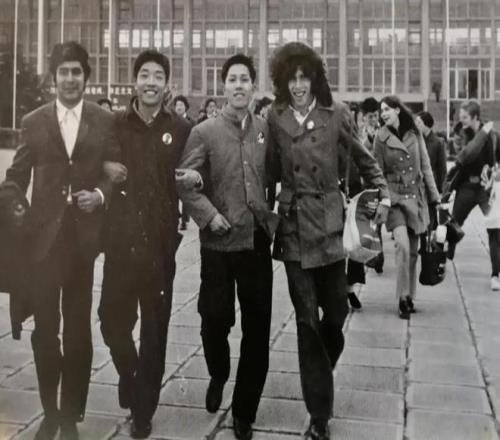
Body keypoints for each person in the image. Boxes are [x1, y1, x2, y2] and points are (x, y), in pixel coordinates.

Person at [267, 42, 389, 440]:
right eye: (291, 78)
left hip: (332, 228)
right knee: (306, 322)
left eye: (305, 77)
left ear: (315, 78)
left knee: (336, 313)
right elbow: (267, 170)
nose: (298, 85)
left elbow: (364, 158)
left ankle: (320, 370)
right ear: (282, 82)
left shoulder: (336, 114)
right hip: (294, 230)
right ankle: (320, 414)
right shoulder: (274, 116)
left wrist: (383, 195)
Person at [5, 41, 118, 440]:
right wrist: (16, 210)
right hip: (43, 246)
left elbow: (114, 170)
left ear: (87, 77)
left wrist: (100, 194)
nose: (70, 79)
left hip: (82, 245)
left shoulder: (104, 120)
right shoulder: (34, 121)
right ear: (53, 78)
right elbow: (16, 178)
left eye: (77, 72)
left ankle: (70, 416)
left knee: (78, 333)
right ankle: (50, 413)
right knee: (45, 334)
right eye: (64, 72)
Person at [177, 54, 278, 440]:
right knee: (214, 320)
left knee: (257, 328)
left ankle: (244, 410)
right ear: (224, 87)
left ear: (253, 86)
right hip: (218, 243)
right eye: (232, 79)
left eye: (245, 79)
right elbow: (184, 181)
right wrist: (208, 215)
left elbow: (277, 174)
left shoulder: (265, 130)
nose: (239, 86)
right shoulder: (204, 132)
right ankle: (218, 372)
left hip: (255, 242)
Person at [98, 50, 192, 439]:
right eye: (144, 75)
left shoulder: (181, 129)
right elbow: (90, 160)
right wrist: (103, 168)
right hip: (120, 242)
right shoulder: (115, 124)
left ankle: (143, 409)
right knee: (111, 320)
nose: (151, 82)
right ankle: (128, 371)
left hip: (159, 244)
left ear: (167, 84)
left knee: (155, 327)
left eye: (158, 76)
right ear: (134, 80)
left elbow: (194, 171)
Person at [374, 96, 440, 320]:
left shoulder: (415, 133)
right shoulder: (380, 138)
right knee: (401, 245)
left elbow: (426, 167)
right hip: (394, 199)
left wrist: (434, 197)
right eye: (381, 111)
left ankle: (409, 295)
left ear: (397, 110)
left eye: (387, 109)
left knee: (412, 251)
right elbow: (377, 172)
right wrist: (382, 198)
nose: (383, 114)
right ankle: (402, 298)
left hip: (415, 198)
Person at [447, 100, 500, 262]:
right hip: (466, 187)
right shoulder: (460, 135)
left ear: (475, 117)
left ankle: (496, 272)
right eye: (460, 117)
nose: (461, 120)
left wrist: (496, 172)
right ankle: (446, 257)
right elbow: (467, 155)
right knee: (453, 225)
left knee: (494, 228)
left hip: (485, 189)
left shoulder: (494, 136)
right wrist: (483, 132)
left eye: (465, 117)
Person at [172, 94, 195, 230]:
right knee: (173, 189)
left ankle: (185, 219)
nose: (179, 107)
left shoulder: (191, 122)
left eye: (181, 105)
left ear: (185, 107)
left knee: (185, 188)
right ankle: (176, 216)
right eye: (177, 105)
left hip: (186, 158)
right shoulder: (171, 121)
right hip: (174, 159)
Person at [415, 111, 447, 193]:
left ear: (426, 124)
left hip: (432, 185)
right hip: (417, 186)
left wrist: (441, 190)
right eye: (416, 122)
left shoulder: (438, 142)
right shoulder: (415, 141)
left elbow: (442, 169)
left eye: (419, 122)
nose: (416, 125)